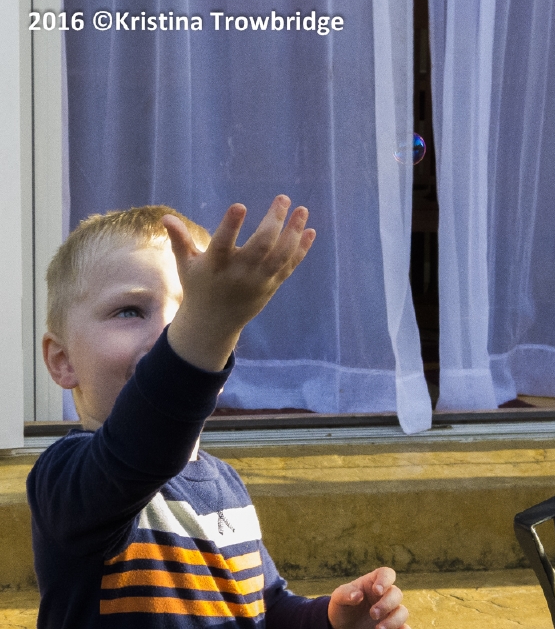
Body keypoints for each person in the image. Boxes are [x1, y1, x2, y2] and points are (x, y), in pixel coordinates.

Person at [27, 197, 410, 629]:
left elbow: (264, 608)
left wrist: (330, 619)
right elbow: (143, 444)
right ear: (62, 360)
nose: (169, 332)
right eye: (130, 310)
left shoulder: (226, 484)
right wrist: (208, 323)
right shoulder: (64, 481)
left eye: (187, 312)